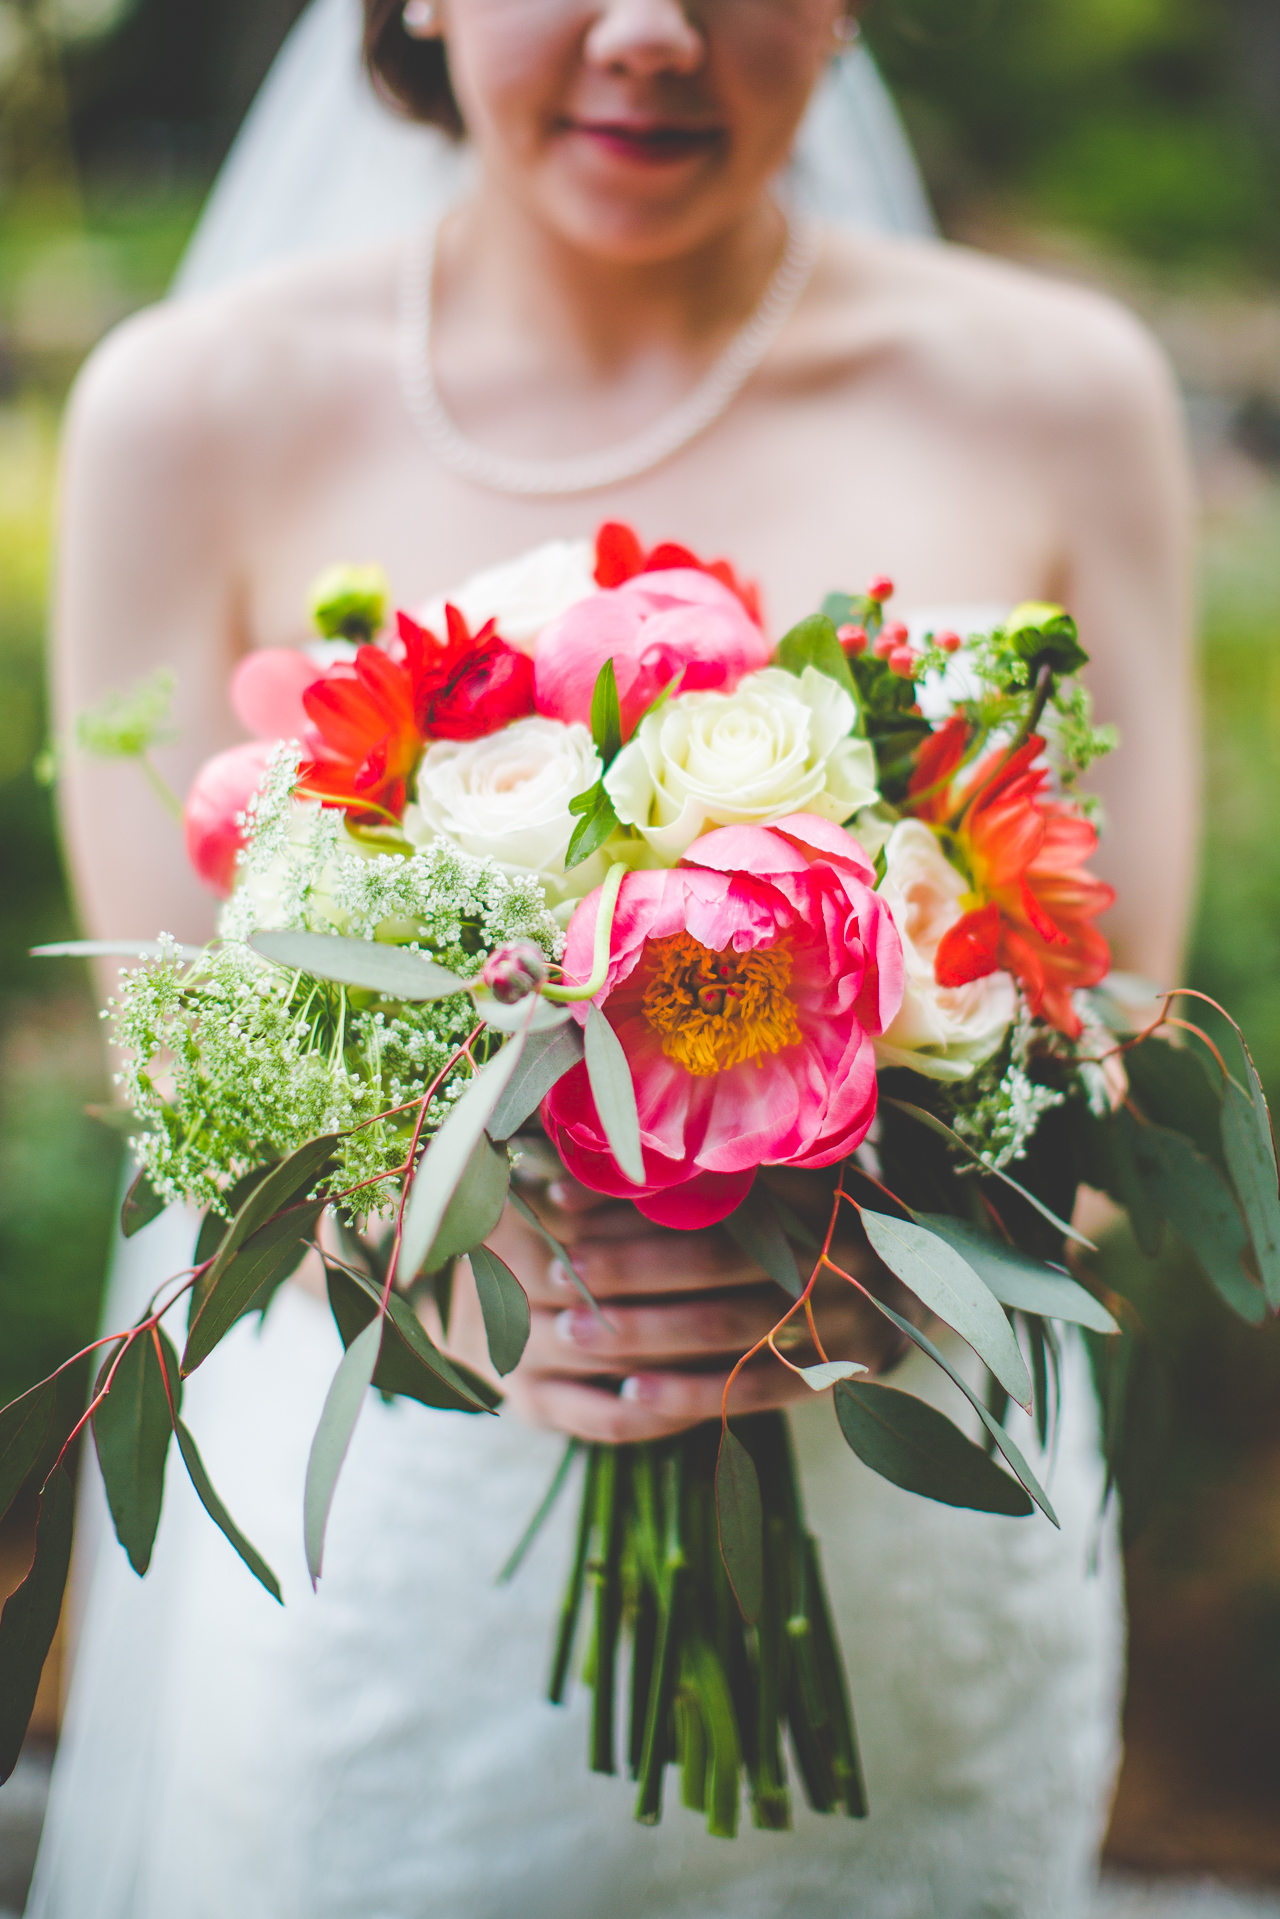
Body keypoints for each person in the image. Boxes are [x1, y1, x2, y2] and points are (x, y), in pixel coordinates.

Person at [30, 3, 1196, 1915]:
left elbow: (1118, 1022)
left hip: (908, 1534)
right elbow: (185, 1065)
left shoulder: (1066, 391)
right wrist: (474, 1269)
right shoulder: (190, 407)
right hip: (412, 1560)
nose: (653, 33)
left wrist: (890, 1260)